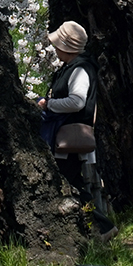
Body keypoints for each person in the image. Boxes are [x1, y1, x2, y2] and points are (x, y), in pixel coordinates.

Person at [38, 20, 117, 240]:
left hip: (68, 136)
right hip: (65, 135)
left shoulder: (80, 69)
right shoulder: (73, 67)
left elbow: (77, 102)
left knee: (69, 184)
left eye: (57, 45)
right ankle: (99, 229)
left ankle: (103, 228)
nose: (54, 49)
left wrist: (50, 104)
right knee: (74, 184)